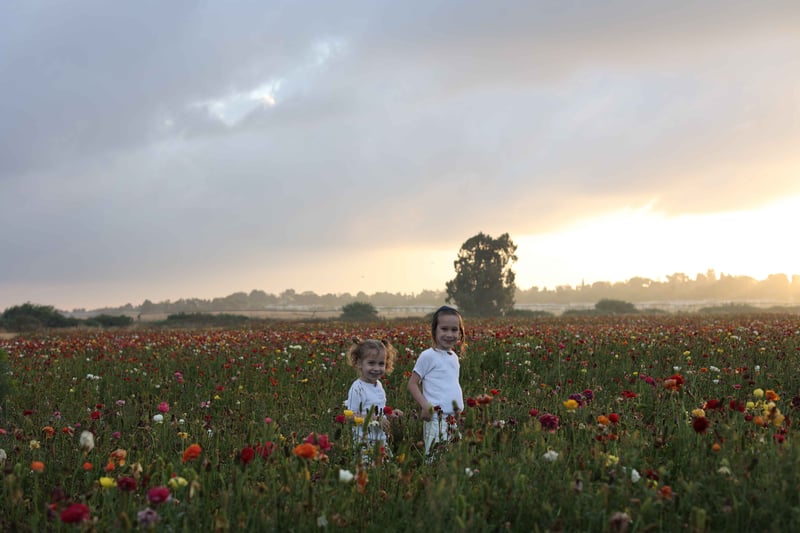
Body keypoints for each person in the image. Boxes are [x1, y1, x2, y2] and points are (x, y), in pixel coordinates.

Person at [407, 305, 467, 458]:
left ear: (460, 333)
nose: (449, 334)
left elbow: (451, 386)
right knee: (434, 457)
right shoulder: (428, 356)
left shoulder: (453, 357)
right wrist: (425, 405)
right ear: (434, 331)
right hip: (435, 418)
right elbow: (412, 384)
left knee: (454, 459)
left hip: (453, 419)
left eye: (454, 330)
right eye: (444, 329)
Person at [345, 338, 403, 462]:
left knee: (385, 469)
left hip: (380, 438)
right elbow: (350, 416)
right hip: (364, 441)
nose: (376, 368)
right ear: (359, 363)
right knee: (368, 471)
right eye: (371, 363)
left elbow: (379, 409)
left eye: (381, 364)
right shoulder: (357, 388)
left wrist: (389, 414)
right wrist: (375, 419)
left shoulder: (378, 385)